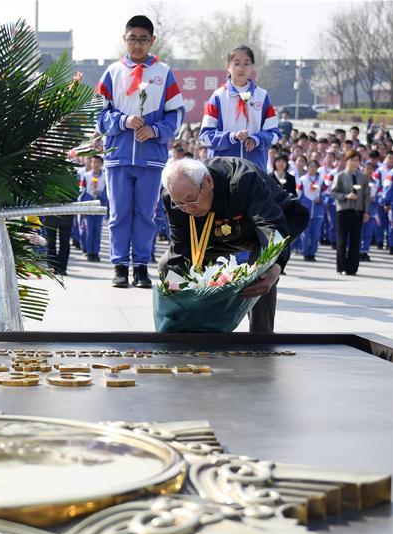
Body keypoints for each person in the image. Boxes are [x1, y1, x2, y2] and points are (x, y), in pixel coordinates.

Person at [159, 157, 308, 333]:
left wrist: (276, 265)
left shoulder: (243, 179)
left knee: (261, 272)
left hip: (269, 224)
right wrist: (177, 290)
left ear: (208, 182)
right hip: (218, 233)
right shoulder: (174, 197)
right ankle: (188, 332)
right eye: (180, 204)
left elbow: (270, 227)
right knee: (168, 266)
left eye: (191, 200)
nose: (187, 209)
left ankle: (261, 339)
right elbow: (181, 248)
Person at [95, 15, 185, 288]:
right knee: (119, 213)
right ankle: (120, 266)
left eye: (143, 39)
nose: (137, 44)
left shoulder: (163, 73)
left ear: (152, 41)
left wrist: (154, 130)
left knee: (146, 214)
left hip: (151, 159)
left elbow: (177, 114)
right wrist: (123, 121)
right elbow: (97, 115)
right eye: (132, 38)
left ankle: (142, 267)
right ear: (124, 39)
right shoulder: (112, 72)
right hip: (117, 156)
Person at [199, 45, 280, 172]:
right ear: (228, 67)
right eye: (236, 63)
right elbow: (205, 137)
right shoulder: (218, 96)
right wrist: (232, 137)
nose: (241, 68)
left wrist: (257, 139)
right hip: (222, 169)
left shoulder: (262, 96)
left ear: (252, 67)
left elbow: (274, 134)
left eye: (246, 63)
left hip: (254, 168)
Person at [329, 150, 372, 276]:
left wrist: (366, 212)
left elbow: (367, 196)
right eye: (351, 160)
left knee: (355, 240)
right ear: (346, 161)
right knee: (342, 240)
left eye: (356, 160)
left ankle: (353, 268)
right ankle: (341, 266)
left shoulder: (362, 177)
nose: (354, 162)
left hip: (358, 211)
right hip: (343, 211)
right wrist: (346, 195)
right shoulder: (340, 175)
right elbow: (333, 192)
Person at [296, 159, 325, 262]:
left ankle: (312, 253)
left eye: (315, 166)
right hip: (306, 209)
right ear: (307, 167)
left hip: (318, 211)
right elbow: (298, 193)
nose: (313, 168)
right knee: (305, 234)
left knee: (316, 234)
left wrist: (320, 198)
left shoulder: (321, 180)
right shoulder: (303, 179)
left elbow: (326, 193)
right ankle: (305, 253)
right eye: (311, 166)